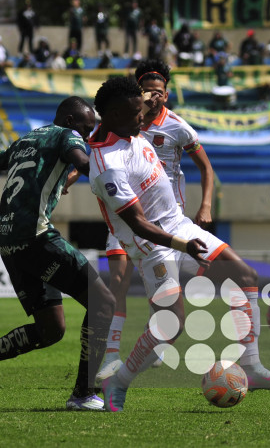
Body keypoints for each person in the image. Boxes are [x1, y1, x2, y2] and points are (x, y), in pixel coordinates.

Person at [89, 76, 270, 411]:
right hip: (152, 246)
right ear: (113, 115)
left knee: (245, 276)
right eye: (136, 112)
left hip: (179, 225)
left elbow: (147, 109)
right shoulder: (107, 164)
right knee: (171, 326)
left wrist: (148, 98)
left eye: (142, 108)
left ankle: (252, 366)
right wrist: (182, 246)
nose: (143, 117)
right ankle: (119, 381)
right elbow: (138, 223)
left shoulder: (127, 125)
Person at [0, 97, 115, 411]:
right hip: (36, 236)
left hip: (9, 241)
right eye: (85, 128)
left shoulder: (26, 140)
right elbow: (81, 160)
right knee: (103, 302)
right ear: (69, 120)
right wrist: (111, 178)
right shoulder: (67, 135)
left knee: (50, 329)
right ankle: (83, 393)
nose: (87, 135)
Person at [95, 60, 216, 381]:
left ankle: (159, 339)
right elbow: (97, 150)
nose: (155, 96)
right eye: (148, 91)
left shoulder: (177, 126)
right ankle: (111, 354)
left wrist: (205, 206)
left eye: (160, 91)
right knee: (118, 280)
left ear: (167, 93)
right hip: (127, 215)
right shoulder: (123, 123)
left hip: (165, 220)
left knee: (163, 287)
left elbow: (206, 166)